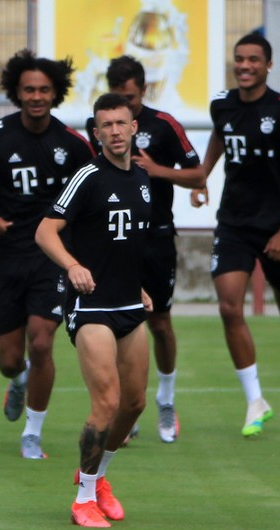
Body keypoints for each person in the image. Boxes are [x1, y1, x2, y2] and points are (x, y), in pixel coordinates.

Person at [0, 48, 95, 459]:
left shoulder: (72, 144)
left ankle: (32, 432)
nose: (36, 96)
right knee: (9, 358)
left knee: (42, 341)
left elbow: (93, 192)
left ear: (56, 94)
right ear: (17, 92)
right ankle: (16, 383)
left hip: (51, 258)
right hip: (4, 256)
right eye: (29, 90)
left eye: (44, 90)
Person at [191, 33, 280, 439]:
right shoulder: (222, 103)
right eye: (239, 59)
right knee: (230, 308)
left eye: (253, 60)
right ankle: (255, 401)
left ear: (269, 65)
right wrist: (202, 175)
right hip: (232, 224)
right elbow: (220, 134)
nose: (244, 66)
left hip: (275, 229)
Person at [35, 93, 152, 528]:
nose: (116, 131)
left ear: (133, 127)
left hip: (128, 304)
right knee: (107, 400)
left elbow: (125, 242)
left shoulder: (141, 178)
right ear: (96, 131)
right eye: (107, 125)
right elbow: (45, 232)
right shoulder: (87, 176)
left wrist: (139, 287)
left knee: (135, 403)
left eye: (122, 123)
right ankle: (83, 499)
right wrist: (72, 265)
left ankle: (99, 477)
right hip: (91, 307)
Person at [96, 55, 205, 443]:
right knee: (113, 325)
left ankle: (166, 399)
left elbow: (198, 174)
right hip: (115, 245)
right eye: (120, 98)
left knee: (158, 322)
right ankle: (126, 407)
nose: (127, 106)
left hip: (156, 239)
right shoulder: (107, 133)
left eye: (132, 98)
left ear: (143, 91)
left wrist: (157, 171)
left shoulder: (163, 126)